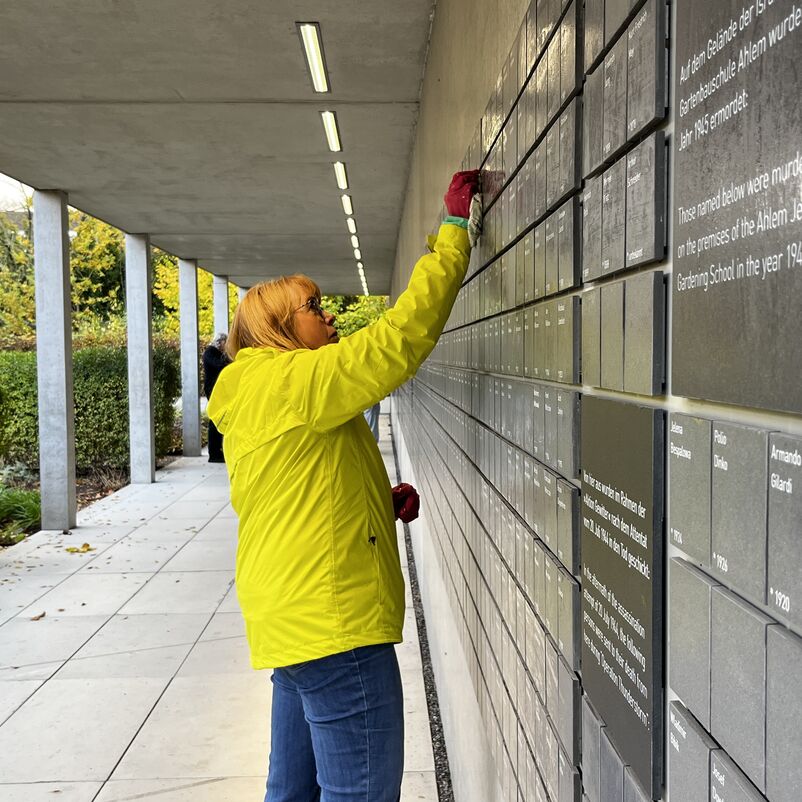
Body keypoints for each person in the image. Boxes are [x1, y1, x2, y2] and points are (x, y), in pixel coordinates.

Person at [207, 170, 479, 802]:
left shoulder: (254, 390)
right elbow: (397, 343)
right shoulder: (292, 382)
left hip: (291, 617)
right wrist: (453, 236)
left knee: (292, 791)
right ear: (277, 326)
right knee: (359, 794)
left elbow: (296, 487)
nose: (327, 315)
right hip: (335, 627)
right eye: (312, 307)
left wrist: (376, 506)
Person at [202, 333, 231, 463]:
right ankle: (213, 453)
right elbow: (219, 365)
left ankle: (217, 451)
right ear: (220, 342)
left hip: (217, 388)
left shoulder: (215, 353)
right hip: (212, 389)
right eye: (226, 342)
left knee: (218, 417)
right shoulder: (210, 352)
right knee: (215, 419)